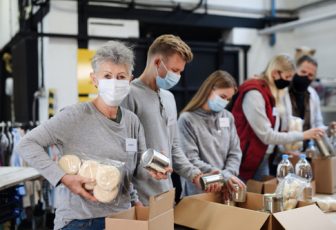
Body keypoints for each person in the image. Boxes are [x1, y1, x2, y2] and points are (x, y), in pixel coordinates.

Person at [17, 41, 152, 230]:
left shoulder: (132, 121)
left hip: (121, 218)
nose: (114, 82)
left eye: (121, 76)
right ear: (94, 79)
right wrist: (63, 177)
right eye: (107, 76)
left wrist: (135, 200)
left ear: (130, 80)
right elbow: (27, 144)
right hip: (81, 221)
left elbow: (129, 171)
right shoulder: (74, 116)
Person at [122, 34, 203, 205]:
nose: (178, 77)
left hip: (165, 195)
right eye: (174, 70)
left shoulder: (169, 98)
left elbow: (173, 146)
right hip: (139, 199)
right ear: (158, 62)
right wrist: (131, 198)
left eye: (180, 72)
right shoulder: (129, 95)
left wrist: (194, 174)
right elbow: (124, 152)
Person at [230, 54, 325, 181]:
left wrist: (285, 147)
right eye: (287, 77)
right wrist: (303, 135)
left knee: (263, 195)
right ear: (275, 73)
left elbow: (277, 128)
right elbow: (267, 136)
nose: (288, 82)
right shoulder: (255, 94)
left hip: (262, 157)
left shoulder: (271, 93)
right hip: (245, 159)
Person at [178, 70, 245, 196]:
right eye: (222, 97)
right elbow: (190, 159)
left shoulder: (228, 117)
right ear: (209, 90)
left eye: (228, 99)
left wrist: (228, 175)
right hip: (199, 191)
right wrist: (223, 175)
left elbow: (235, 152)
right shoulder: (187, 119)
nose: (225, 102)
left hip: (225, 188)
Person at [283, 55, 336, 138]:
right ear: (295, 70)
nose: (306, 77)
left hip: (306, 147)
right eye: (303, 72)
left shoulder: (313, 95)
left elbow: (318, 125)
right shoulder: (283, 92)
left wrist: (329, 129)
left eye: (310, 75)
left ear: (314, 77)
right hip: (284, 146)